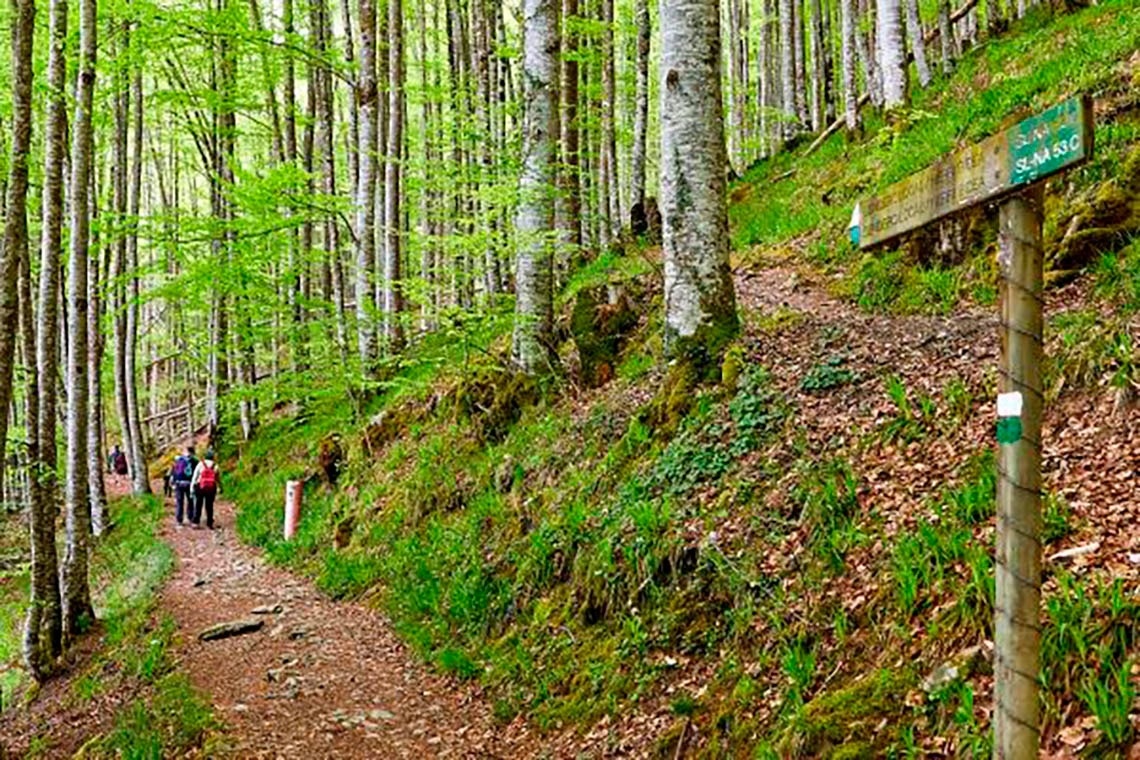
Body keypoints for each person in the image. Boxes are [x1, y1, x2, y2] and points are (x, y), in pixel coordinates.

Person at [190, 449, 221, 530]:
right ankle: (209, 522)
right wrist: (220, 487)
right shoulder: (215, 466)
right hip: (211, 488)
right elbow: (217, 478)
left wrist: (192, 487)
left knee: (198, 504)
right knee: (209, 505)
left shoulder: (200, 464)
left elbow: (195, 476)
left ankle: (196, 522)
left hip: (200, 486)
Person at [171, 446, 198, 527]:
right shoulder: (195, 461)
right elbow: (196, 473)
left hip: (179, 483)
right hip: (190, 483)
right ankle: (191, 518)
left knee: (179, 502)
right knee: (190, 501)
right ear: (193, 452)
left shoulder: (178, 460)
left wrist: (173, 483)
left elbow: (174, 471)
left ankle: (179, 520)